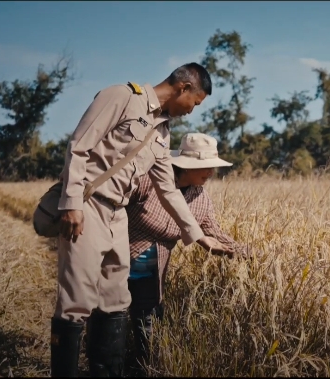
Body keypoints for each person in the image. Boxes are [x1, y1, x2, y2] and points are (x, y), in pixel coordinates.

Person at [50, 63, 236, 377]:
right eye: (195, 102)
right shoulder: (121, 97)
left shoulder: (162, 133)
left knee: (116, 299)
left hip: (117, 214)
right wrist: (71, 204)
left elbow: (168, 190)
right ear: (183, 88)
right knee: (76, 300)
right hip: (89, 205)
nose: (192, 110)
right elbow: (78, 146)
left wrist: (200, 236)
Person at [123, 132, 261, 375]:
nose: (210, 173)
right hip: (120, 254)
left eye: (212, 168)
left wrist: (247, 252)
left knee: (149, 315)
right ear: (185, 167)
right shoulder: (149, 180)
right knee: (111, 312)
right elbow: (115, 207)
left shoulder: (199, 196)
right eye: (205, 167)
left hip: (155, 264)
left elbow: (212, 230)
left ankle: (143, 367)